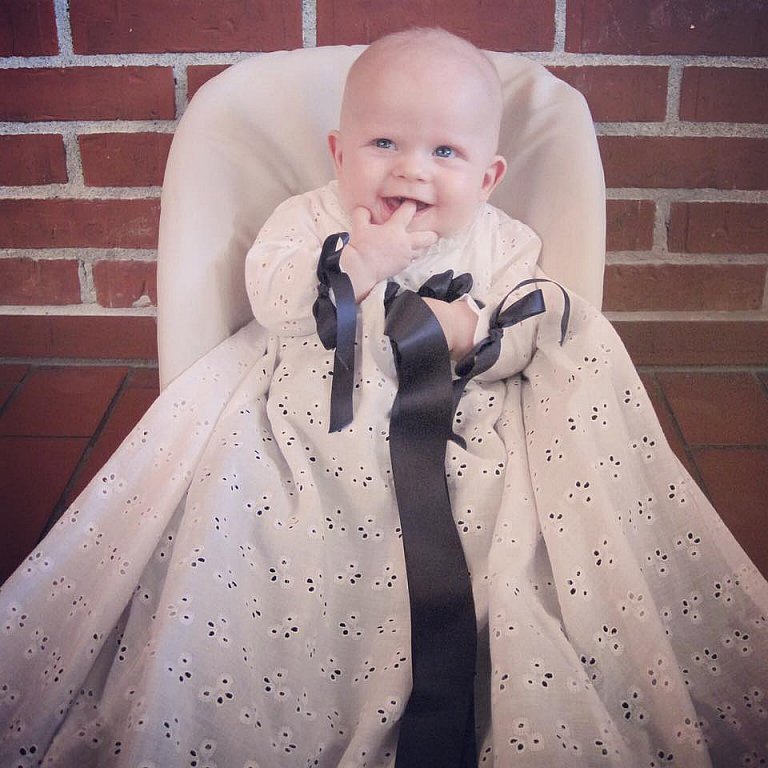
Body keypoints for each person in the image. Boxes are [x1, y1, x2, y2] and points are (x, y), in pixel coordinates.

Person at [1, 28, 767, 768]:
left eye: (445, 152)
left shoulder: (501, 243)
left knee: (499, 522)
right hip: (312, 411)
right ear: (340, 153)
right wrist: (358, 265)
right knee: (259, 513)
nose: (412, 171)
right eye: (384, 144)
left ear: (488, 176)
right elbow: (274, 300)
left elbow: (533, 330)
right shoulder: (311, 219)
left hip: (455, 422)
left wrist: (471, 334)